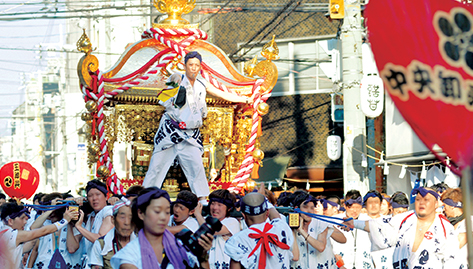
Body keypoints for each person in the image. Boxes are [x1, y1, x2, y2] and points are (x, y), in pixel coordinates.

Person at [143, 51, 249, 204]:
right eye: (190, 65)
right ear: (185, 65)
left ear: (200, 67)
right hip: (171, 132)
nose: (193, 68)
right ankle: (146, 198)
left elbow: (221, 93)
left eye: (196, 65)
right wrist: (176, 77)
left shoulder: (202, 84)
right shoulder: (177, 79)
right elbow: (173, 78)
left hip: (190, 134)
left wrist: (245, 99)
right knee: (156, 166)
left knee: (196, 166)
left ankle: (202, 198)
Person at [343, 187, 459, 268]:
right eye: (418, 199)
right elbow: (378, 226)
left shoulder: (445, 228)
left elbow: (452, 261)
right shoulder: (404, 218)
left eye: (426, 200)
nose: (421, 203)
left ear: (435, 204)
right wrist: (354, 223)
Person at [110, 187, 213, 269]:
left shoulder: (180, 247)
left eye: (167, 212)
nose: (163, 217)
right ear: (141, 214)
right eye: (157, 211)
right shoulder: (130, 255)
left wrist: (203, 258)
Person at [224, 192, 294, 269]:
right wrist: (267, 202)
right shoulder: (281, 228)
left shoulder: (237, 240)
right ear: (267, 213)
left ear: (243, 215)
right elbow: (275, 216)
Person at [0, 202, 75, 268]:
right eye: (22, 218)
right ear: (10, 221)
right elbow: (43, 231)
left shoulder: (4, 234)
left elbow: (32, 238)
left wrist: (52, 208)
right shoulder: (11, 235)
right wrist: (64, 221)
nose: (25, 222)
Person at [290, 192, 346, 269]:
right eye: (305, 207)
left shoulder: (321, 222)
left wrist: (302, 231)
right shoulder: (289, 223)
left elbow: (321, 247)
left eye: (312, 208)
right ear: (296, 208)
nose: (309, 211)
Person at [67, 179, 114, 269]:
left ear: (106, 196)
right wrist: (69, 221)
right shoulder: (91, 216)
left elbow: (99, 239)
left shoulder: (109, 211)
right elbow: (71, 248)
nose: (94, 198)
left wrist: (79, 227)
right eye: (90, 196)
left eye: (98, 194)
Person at [27, 193, 82, 269]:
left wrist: (68, 221)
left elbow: (71, 249)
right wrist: (51, 208)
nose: (52, 214)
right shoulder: (44, 224)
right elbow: (33, 228)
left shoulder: (72, 226)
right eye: (48, 209)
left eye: (56, 210)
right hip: (43, 265)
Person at [331, 190, 374, 269]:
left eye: (357, 207)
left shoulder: (368, 221)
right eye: (351, 207)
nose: (355, 211)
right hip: (342, 265)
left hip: (364, 265)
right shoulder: (335, 220)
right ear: (345, 206)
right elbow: (329, 245)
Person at [89, 198, 136, 269]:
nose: (127, 222)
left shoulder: (143, 242)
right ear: (113, 219)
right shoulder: (102, 244)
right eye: (122, 217)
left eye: (131, 218)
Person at [202, 189, 240, 269]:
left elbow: (211, 229)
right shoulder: (204, 219)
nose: (215, 208)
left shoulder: (232, 222)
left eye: (219, 205)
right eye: (212, 204)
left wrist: (198, 214)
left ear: (229, 208)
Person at [440, 188, 469, 268]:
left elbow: (455, 245)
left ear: (452, 206)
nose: (443, 210)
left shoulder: (469, 222)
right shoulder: (447, 224)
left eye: (444, 206)